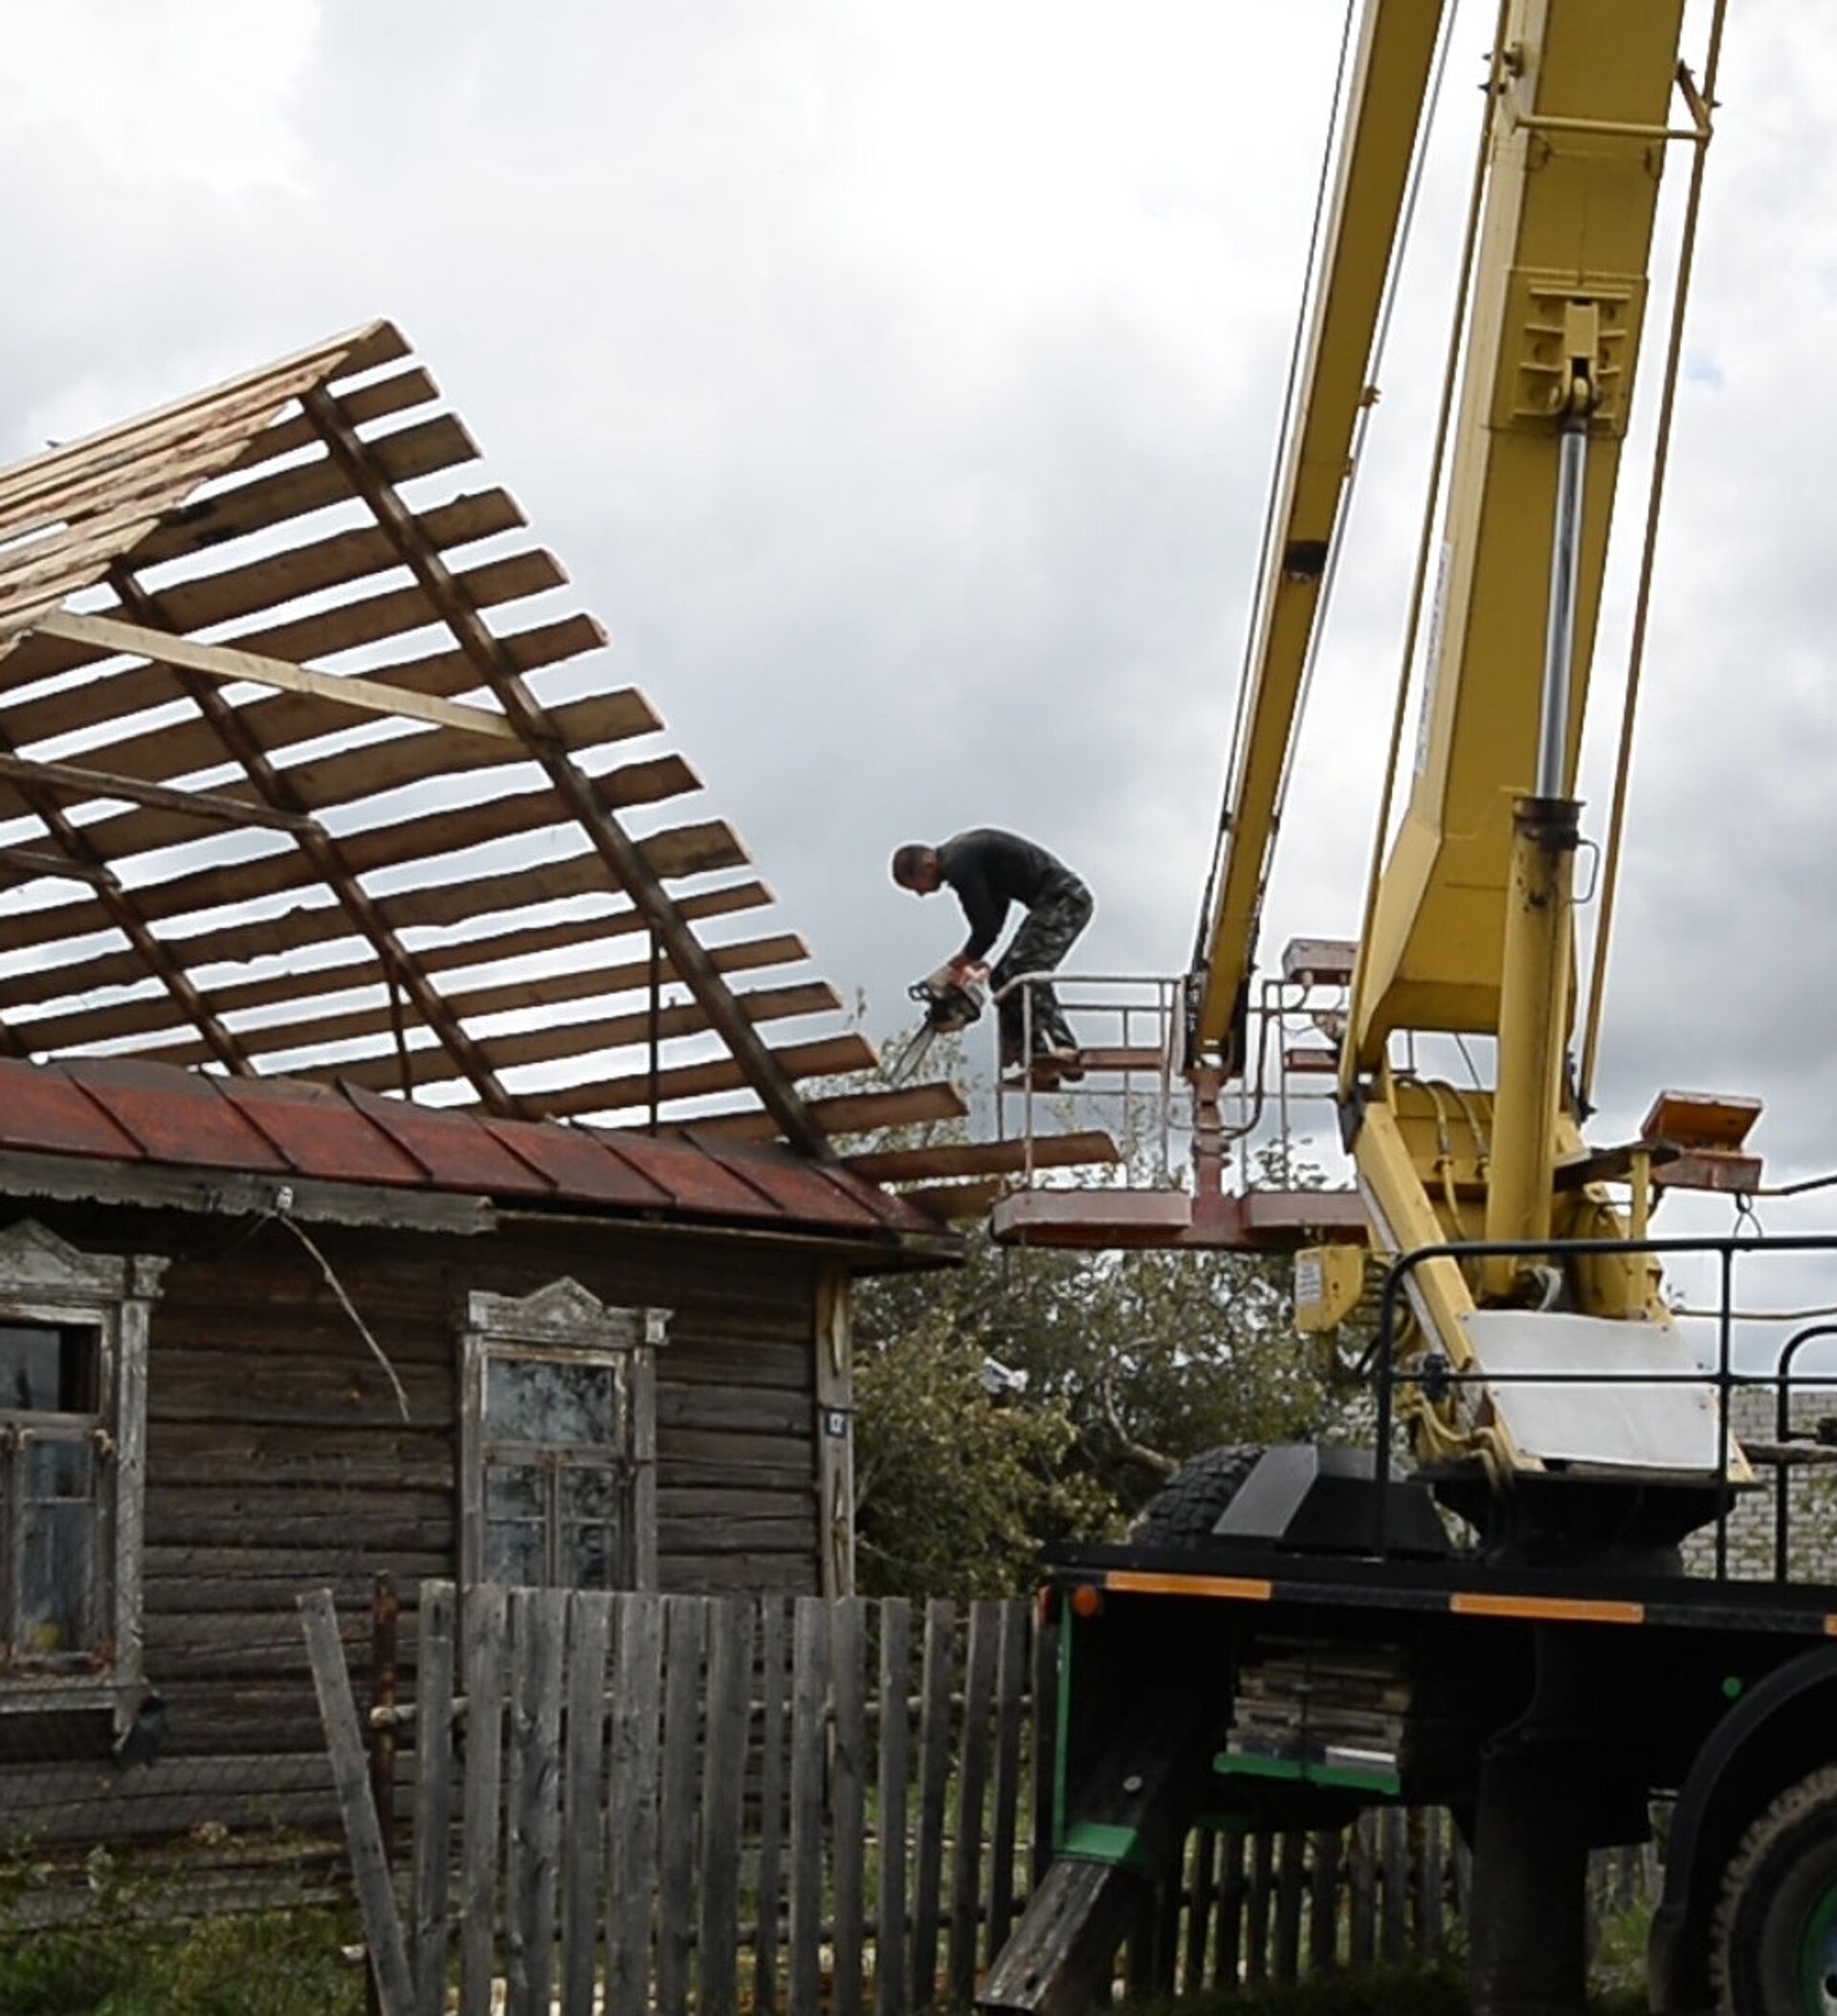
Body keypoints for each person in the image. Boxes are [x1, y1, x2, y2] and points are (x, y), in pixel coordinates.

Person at [891, 829, 1093, 1079]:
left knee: (1025, 972)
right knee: (1002, 978)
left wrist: (951, 969)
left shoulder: (958, 863)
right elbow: (994, 918)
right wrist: (972, 966)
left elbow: (985, 930)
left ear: (929, 865)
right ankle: (1038, 1061)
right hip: (1049, 903)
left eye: (916, 887)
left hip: (1064, 900)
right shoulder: (967, 857)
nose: (920, 894)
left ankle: (1065, 1049)